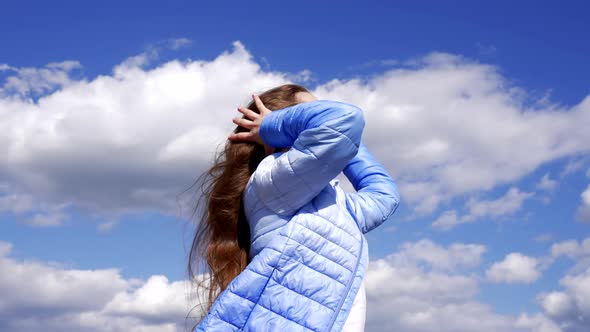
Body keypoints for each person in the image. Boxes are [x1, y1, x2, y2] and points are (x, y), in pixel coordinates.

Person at [187, 83, 400, 331]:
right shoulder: (272, 181)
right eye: (310, 112)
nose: (317, 116)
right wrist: (270, 126)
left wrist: (352, 144)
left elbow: (385, 195)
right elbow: (343, 119)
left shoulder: (336, 203)